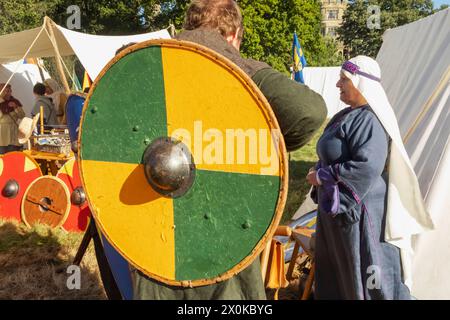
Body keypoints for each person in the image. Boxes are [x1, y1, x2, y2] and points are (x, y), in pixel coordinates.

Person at [131, 0, 327, 300]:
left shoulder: (144, 63)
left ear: (189, 25)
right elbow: (309, 111)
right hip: (224, 225)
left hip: (154, 227)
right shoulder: (239, 66)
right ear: (234, 33)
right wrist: (261, 142)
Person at [306, 56, 434, 299]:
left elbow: (367, 166)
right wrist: (318, 170)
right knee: (339, 270)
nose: (337, 84)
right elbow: (332, 154)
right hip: (337, 212)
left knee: (365, 271)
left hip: (360, 211)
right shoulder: (344, 116)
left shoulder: (370, 120)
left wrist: (323, 177)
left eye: (344, 79)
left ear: (360, 83)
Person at [0, 83, 25, 154]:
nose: (8, 93)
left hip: (13, 134)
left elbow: (22, 116)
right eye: (5, 91)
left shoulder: (15, 101)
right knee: (1, 158)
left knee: (12, 155)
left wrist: (15, 107)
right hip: (2, 135)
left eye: (9, 91)